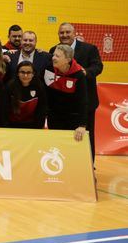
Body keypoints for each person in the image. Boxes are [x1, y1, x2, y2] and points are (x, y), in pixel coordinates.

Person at [49, 23, 103, 157]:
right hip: (63, 105)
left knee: (86, 136)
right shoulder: (53, 50)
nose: (65, 35)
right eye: (62, 33)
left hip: (85, 101)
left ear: (74, 33)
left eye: (68, 32)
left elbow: (98, 66)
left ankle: (89, 165)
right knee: (63, 137)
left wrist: (85, 72)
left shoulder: (89, 49)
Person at [44, 44, 88, 143]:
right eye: (54, 55)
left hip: (72, 119)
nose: (53, 58)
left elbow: (82, 101)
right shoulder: (48, 68)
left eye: (57, 56)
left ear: (68, 59)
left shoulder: (79, 75)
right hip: (53, 117)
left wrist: (82, 125)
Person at [6, 61, 47, 129]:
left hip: (32, 126)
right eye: (22, 72)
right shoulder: (10, 86)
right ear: (17, 73)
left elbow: (42, 109)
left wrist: (38, 128)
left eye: (28, 72)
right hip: (12, 126)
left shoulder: (39, 86)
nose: (25, 75)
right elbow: (4, 109)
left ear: (33, 74)